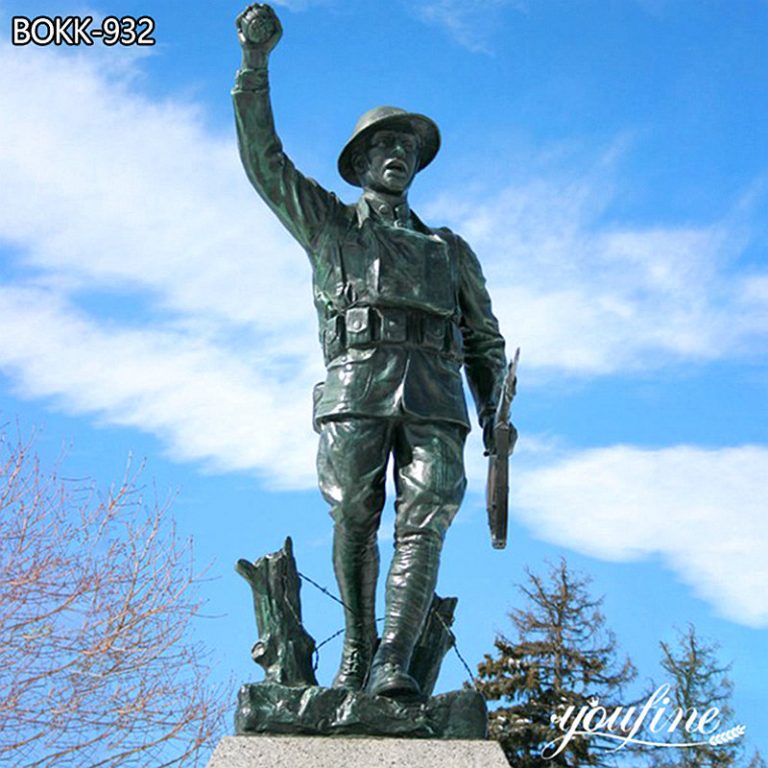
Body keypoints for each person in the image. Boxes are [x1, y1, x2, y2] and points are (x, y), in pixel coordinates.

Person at [233, 3, 508, 700]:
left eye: (409, 149)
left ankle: (394, 662)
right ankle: (357, 648)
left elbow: (483, 340)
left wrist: (495, 409)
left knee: (428, 515)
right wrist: (254, 66)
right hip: (356, 384)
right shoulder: (328, 225)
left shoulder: (450, 250)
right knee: (356, 515)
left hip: (437, 394)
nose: (399, 155)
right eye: (385, 146)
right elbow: (265, 161)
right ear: (359, 163)